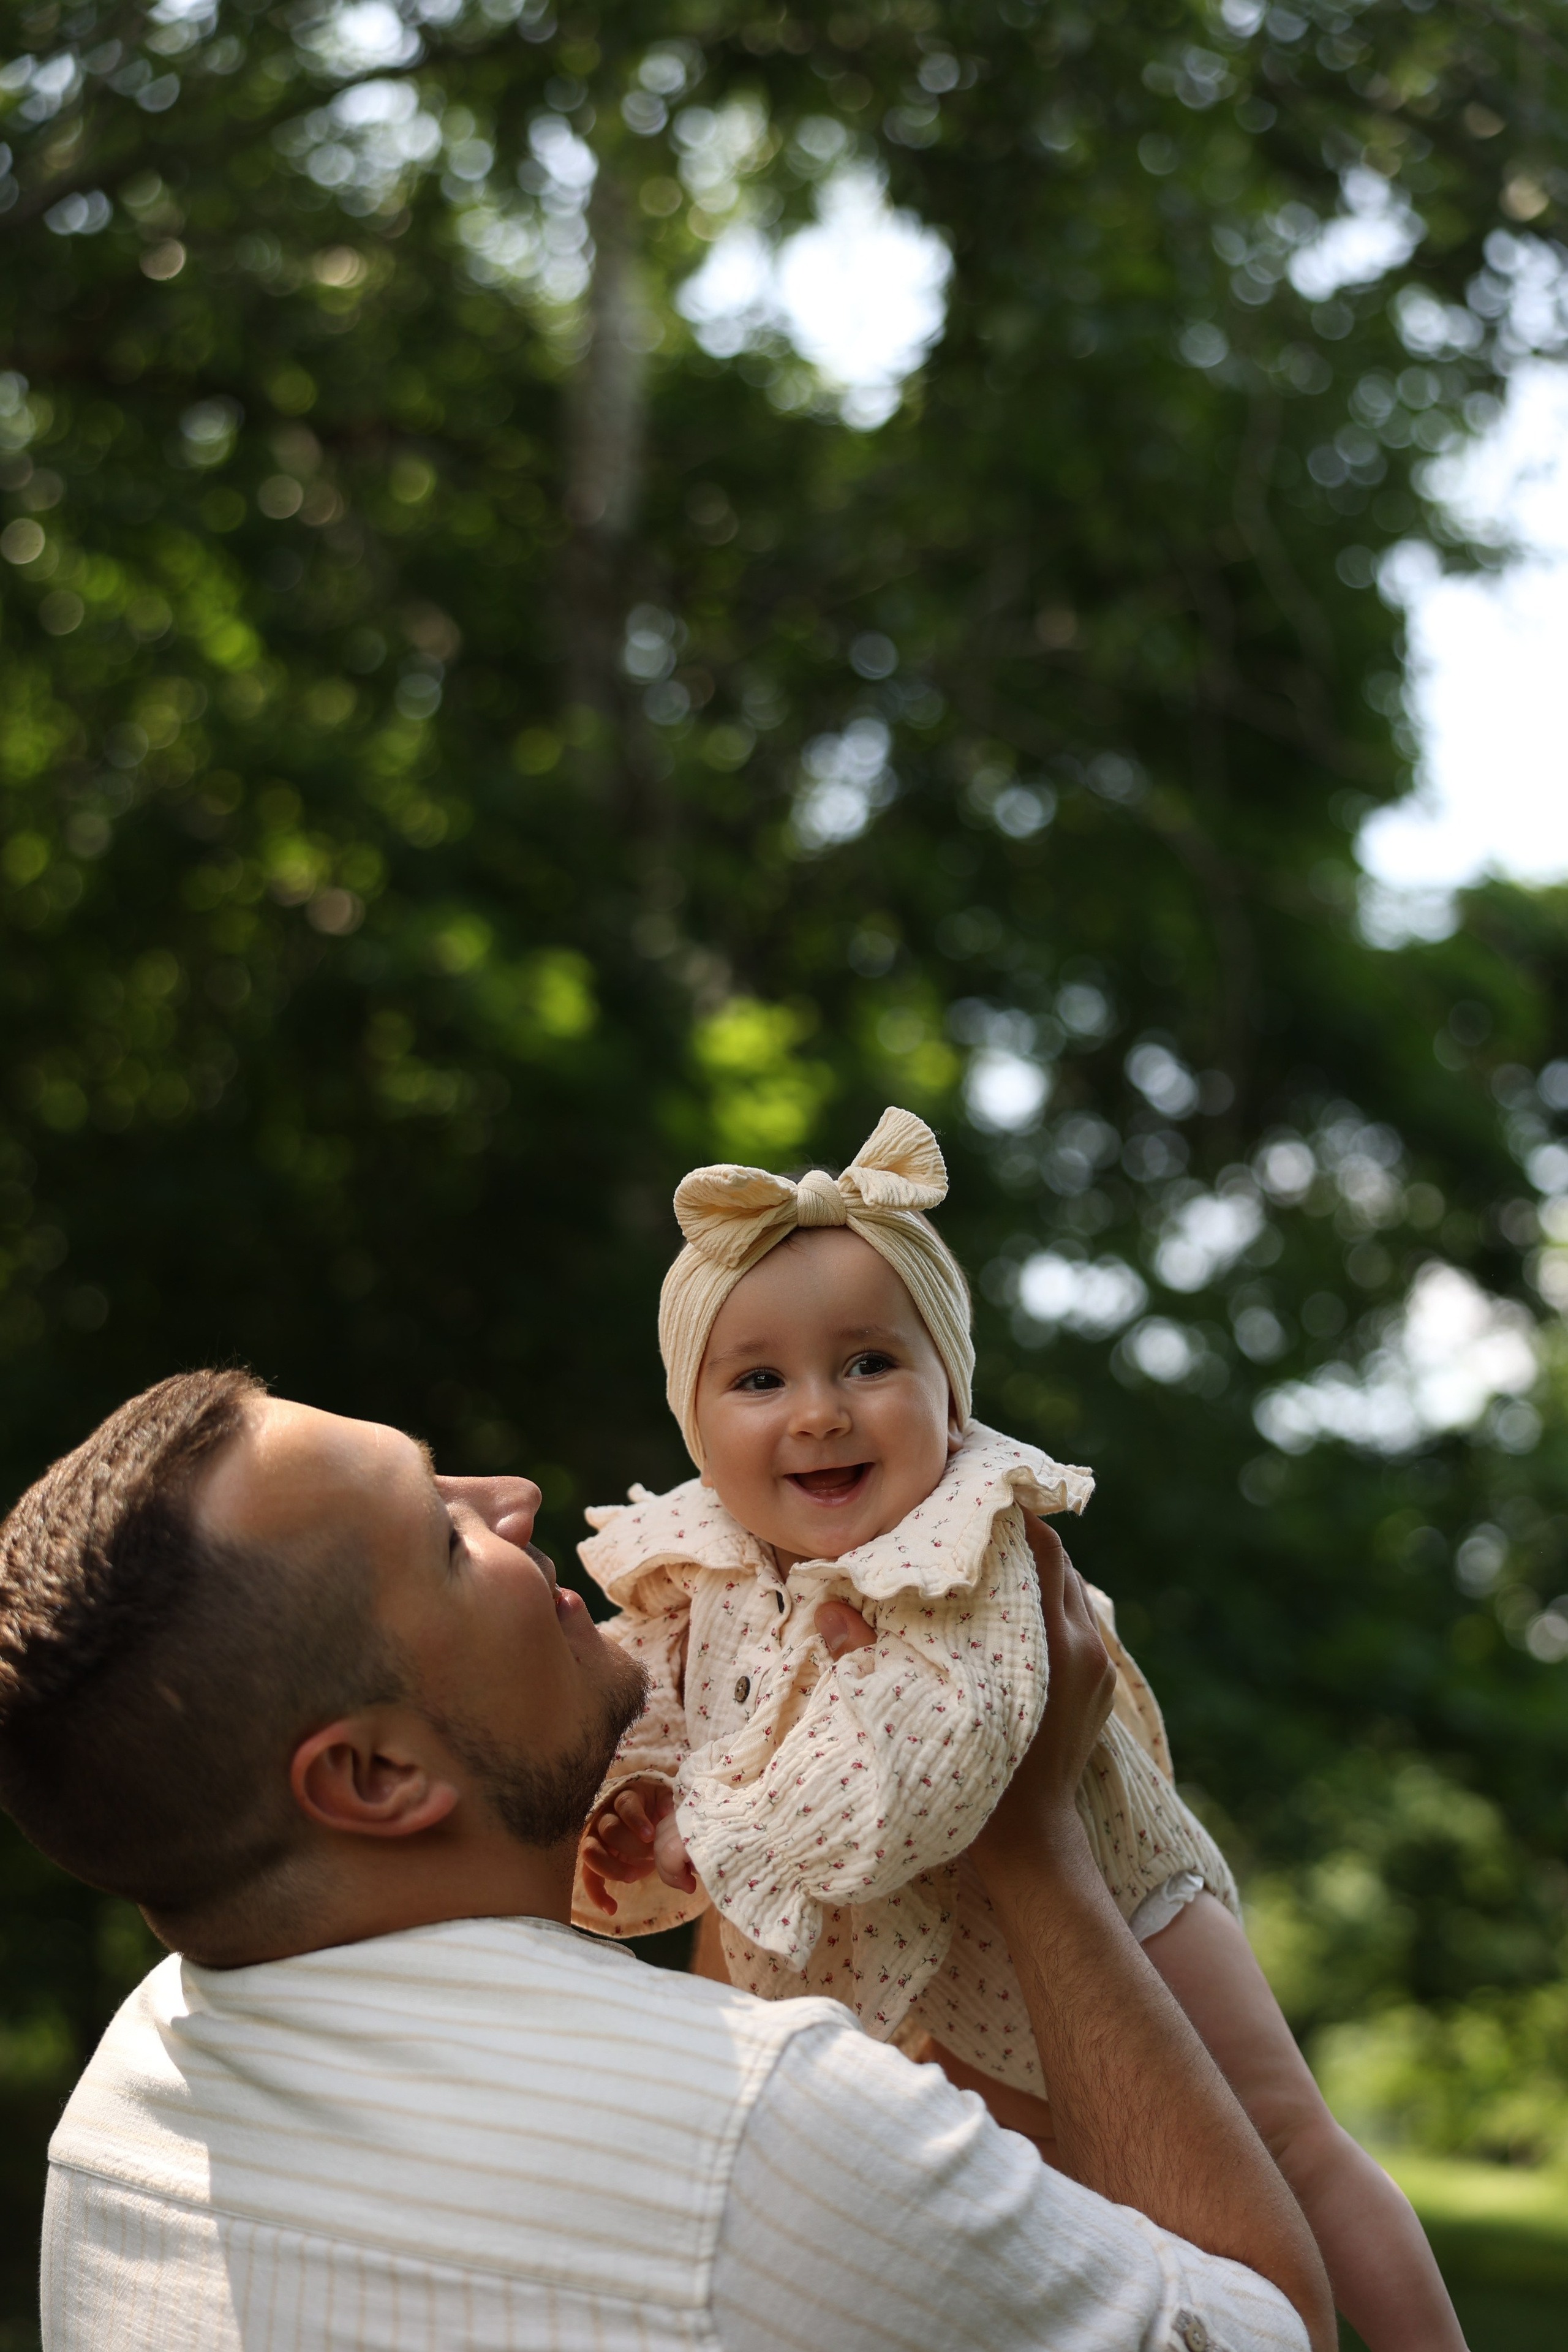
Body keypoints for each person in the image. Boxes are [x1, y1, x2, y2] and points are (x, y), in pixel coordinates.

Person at [0, 1368, 1332, 2351]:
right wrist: (1036, 1848)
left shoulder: (121, 2113)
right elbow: (1264, 2330)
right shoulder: (767, 2130)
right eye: (447, 1541)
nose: (513, 1500)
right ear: (377, 1778)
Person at [575, 1107, 1466, 2352]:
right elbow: (656, 1709)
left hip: (1111, 1888)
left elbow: (943, 1763)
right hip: (920, 1932)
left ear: (951, 1397)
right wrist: (637, 1800)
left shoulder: (968, 1542)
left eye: (869, 1364)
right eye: (759, 1379)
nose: (820, 1411)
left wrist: (714, 1837)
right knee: (1063, 2191)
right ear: (692, 1422)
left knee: (1278, 2133)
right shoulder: (701, 1567)